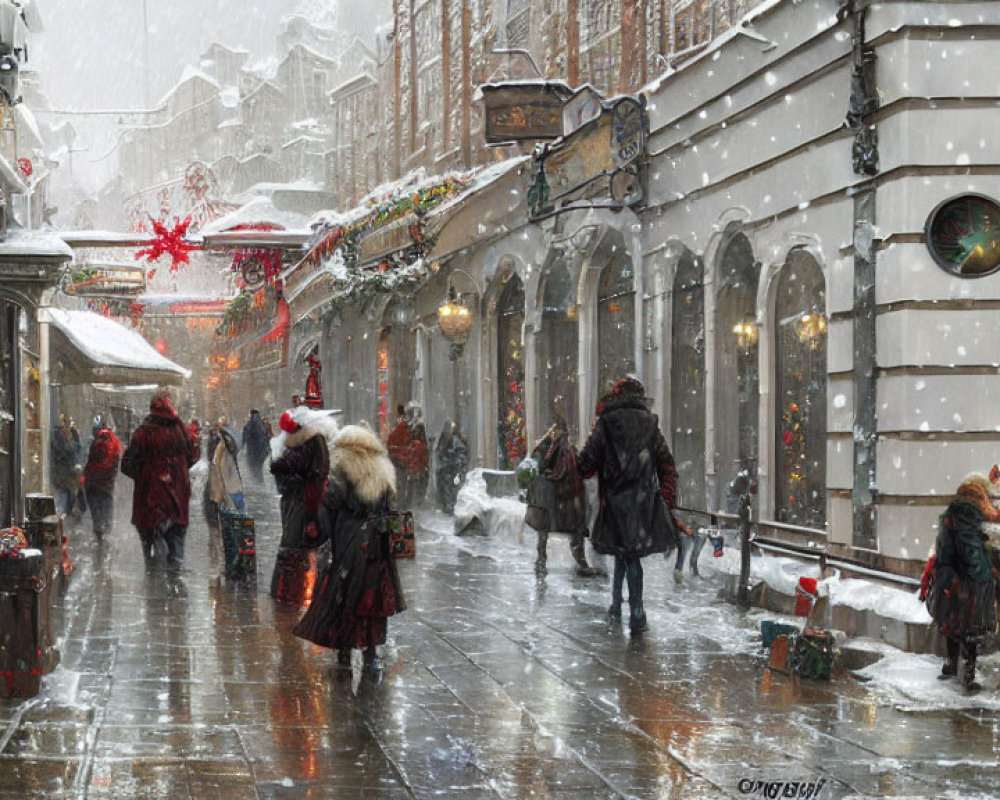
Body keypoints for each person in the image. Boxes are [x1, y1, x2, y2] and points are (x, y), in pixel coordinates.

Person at [293, 424, 405, 671]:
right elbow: (392, 505)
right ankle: (371, 651)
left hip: (349, 536)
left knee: (342, 593)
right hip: (378, 541)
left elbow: (332, 502)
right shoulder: (383, 465)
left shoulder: (342, 462)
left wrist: (323, 534)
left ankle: (344, 648)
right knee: (372, 596)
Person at [578, 378, 679, 636]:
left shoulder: (607, 422)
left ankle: (633, 611)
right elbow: (666, 464)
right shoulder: (649, 424)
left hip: (614, 500)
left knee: (626, 553)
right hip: (642, 500)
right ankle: (623, 607)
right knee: (628, 552)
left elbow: (586, 464)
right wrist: (666, 497)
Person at [927, 475, 999, 690]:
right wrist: (987, 572)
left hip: (951, 578)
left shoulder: (951, 514)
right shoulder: (968, 516)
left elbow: (947, 548)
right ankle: (968, 674)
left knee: (953, 624)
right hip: (967, 583)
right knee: (971, 627)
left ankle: (951, 663)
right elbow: (972, 554)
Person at [121, 389, 200, 573]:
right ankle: (174, 581)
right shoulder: (181, 431)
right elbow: (192, 457)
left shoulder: (142, 434)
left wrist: (145, 476)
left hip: (149, 503)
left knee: (150, 548)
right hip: (177, 503)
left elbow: (127, 465)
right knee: (176, 546)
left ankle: (155, 582)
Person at [269, 407, 337, 604]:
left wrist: (278, 457)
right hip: (309, 501)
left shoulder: (307, 443)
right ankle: (307, 591)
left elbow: (279, 466)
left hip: (303, 503)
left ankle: (293, 593)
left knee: (295, 547)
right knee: (308, 548)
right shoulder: (317, 441)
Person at [525, 416, 597, 577]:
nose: (551, 432)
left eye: (554, 429)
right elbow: (541, 459)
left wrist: (552, 475)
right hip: (559, 494)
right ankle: (544, 559)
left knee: (572, 529)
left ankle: (579, 561)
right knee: (549, 527)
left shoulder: (565, 447)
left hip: (566, 495)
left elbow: (565, 470)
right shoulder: (555, 445)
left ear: (560, 430)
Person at [83, 417, 122, 539]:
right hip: (108, 480)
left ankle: (98, 525)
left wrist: (87, 474)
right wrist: (112, 475)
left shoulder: (98, 442)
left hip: (95, 480)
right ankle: (108, 524)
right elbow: (116, 459)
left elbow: (92, 462)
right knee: (107, 501)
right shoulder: (114, 440)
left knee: (95, 502)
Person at [51, 413, 83, 517]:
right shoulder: (59, 439)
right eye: (66, 425)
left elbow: (76, 454)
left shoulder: (66, 439)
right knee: (63, 504)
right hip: (62, 477)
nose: (68, 429)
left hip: (68, 478)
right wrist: (76, 438)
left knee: (70, 501)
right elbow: (71, 454)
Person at [435, 420, 468, 514]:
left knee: (451, 487)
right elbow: (440, 451)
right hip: (445, 467)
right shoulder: (445, 439)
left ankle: (450, 506)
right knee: (445, 487)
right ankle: (446, 506)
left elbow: (459, 454)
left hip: (451, 468)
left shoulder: (455, 440)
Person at [242, 409, 270, 482]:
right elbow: (266, 437)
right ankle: (259, 482)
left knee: (254, 469)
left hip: (254, 450)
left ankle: (258, 484)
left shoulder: (251, 423)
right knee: (258, 468)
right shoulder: (261, 423)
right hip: (261, 450)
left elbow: (246, 436)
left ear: (251, 415)